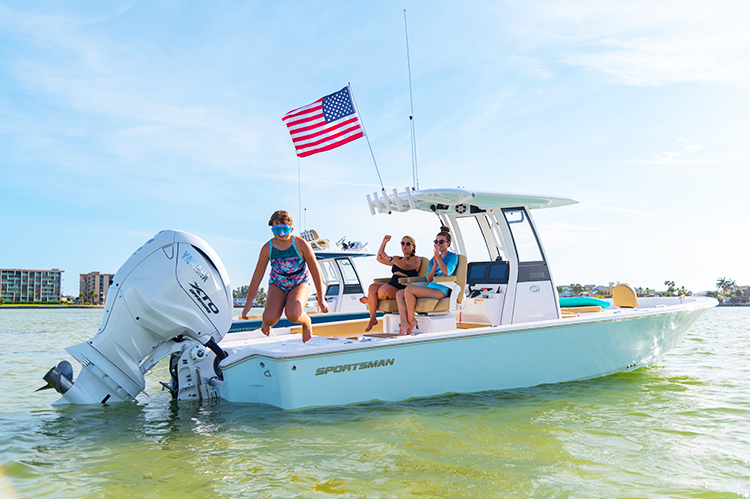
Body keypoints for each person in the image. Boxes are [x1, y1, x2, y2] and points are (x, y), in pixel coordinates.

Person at [240, 210, 329, 342]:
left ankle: (306, 321)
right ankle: (267, 321)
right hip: (277, 284)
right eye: (277, 230)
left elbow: (315, 271)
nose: (281, 234)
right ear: (272, 230)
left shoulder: (300, 244)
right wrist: (248, 303)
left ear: (291, 229)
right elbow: (257, 276)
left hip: (299, 283)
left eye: (285, 229)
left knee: (292, 315)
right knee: (269, 319)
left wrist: (321, 298)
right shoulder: (268, 248)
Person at [395, 226, 458, 335]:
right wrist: (434, 264)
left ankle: (412, 320)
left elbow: (447, 272)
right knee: (400, 293)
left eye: (441, 242)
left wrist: (438, 259)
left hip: (441, 291)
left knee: (409, 289)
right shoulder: (432, 260)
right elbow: (429, 279)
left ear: (448, 243)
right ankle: (404, 322)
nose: (438, 244)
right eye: (436, 241)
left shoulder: (452, 257)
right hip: (431, 288)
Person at [359, 235, 421, 332]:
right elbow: (379, 258)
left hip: (403, 287)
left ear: (413, 247)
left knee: (384, 290)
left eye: (408, 244)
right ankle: (373, 319)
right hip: (391, 283)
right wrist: (384, 242)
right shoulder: (398, 258)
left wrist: (390, 259)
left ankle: (369, 300)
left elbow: (406, 266)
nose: (405, 245)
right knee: (372, 287)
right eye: (402, 243)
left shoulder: (416, 259)